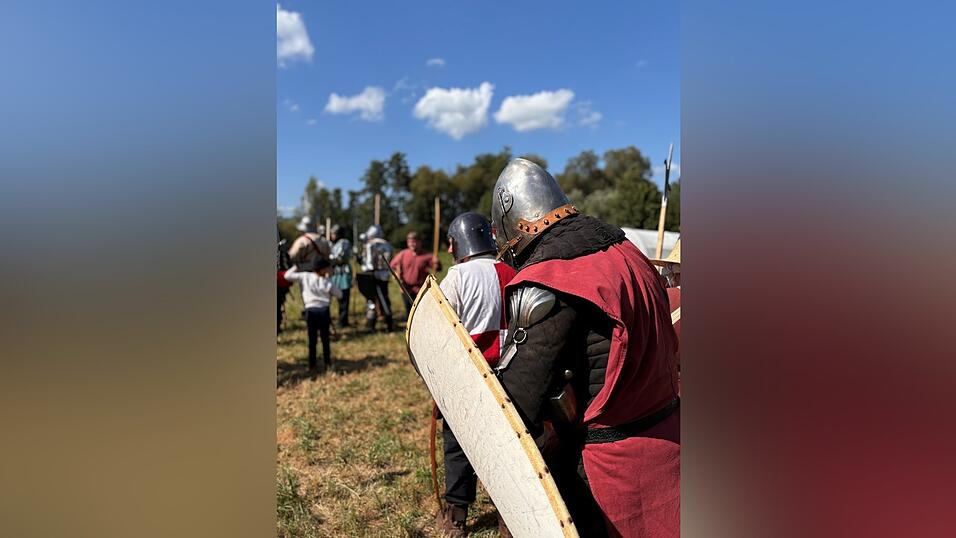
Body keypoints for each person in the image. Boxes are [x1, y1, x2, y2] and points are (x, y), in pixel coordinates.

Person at [491, 158, 680, 537]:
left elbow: (515, 403)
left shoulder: (550, 278)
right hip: (671, 447)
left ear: (513, 223)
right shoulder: (627, 251)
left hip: (611, 477)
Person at [434, 213, 517, 538]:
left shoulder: (457, 277)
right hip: (511, 379)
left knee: (458, 447)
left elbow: (440, 329)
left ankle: (456, 517)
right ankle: (509, 519)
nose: (449, 249)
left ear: (458, 243)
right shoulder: (512, 271)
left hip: (469, 378)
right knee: (507, 450)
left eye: (451, 243)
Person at [283, 258, 341, 372]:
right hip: (323, 310)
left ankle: (312, 364)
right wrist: (328, 280)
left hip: (310, 310)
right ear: (323, 269)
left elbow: (287, 276)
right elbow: (339, 294)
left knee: (312, 339)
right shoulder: (326, 281)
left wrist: (296, 266)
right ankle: (327, 362)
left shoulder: (305, 276)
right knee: (325, 338)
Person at [389, 231, 441, 317]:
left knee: (421, 312)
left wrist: (436, 263)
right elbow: (392, 266)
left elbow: (438, 268)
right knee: (409, 313)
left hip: (421, 289)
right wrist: (397, 273)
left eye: (414, 242)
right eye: (409, 242)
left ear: (419, 242)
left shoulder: (427, 256)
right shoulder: (403, 254)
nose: (412, 244)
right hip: (406, 288)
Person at [357, 224, 394, 332]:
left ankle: (371, 325)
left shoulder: (370, 244)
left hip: (371, 275)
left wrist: (361, 261)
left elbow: (369, 264)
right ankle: (389, 324)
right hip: (384, 275)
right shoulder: (387, 244)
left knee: (371, 300)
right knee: (384, 299)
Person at [329, 224, 353, 328]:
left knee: (344, 299)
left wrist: (328, 258)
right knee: (336, 298)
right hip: (334, 273)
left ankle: (343, 321)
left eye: (333, 234)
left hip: (343, 274)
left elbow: (340, 258)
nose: (332, 235)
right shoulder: (332, 244)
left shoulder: (344, 243)